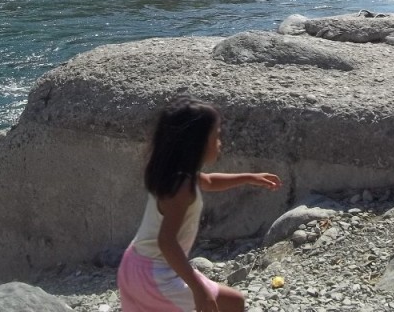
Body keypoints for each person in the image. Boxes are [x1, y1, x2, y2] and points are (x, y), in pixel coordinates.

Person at [117, 97, 281, 312]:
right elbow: (167, 241)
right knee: (233, 303)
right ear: (198, 143)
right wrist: (197, 288)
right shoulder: (181, 188)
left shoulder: (175, 174)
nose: (220, 143)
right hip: (154, 275)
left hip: (136, 264)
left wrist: (250, 177)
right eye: (217, 136)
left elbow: (210, 181)